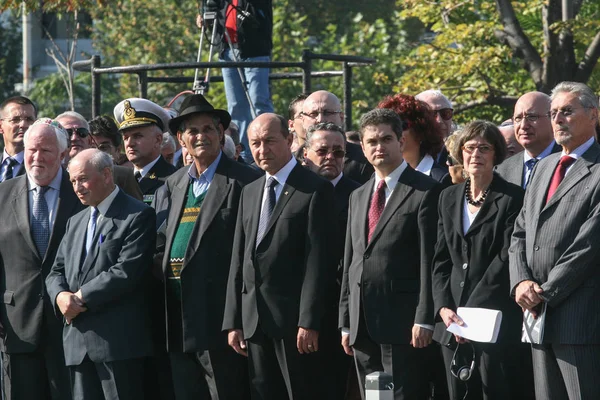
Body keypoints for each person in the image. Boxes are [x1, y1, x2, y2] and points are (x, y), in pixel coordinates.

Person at [223, 113, 338, 399]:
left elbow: (319, 262)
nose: (262, 150)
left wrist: (309, 321)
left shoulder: (314, 189)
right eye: (255, 143)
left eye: (270, 141)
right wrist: (234, 320)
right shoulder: (249, 192)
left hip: (295, 326)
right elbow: (239, 259)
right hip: (255, 321)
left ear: (289, 140)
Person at [155, 94, 261, 399]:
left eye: (208, 129)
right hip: (176, 317)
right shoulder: (173, 184)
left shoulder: (245, 181)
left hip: (219, 321)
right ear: (180, 139)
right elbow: (162, 242)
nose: (200, 136)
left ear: (220, 133)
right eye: (192, 131)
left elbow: (249, 254)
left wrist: (236, 319)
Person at [339, 108, 441, 399]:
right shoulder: (358, 195)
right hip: (362, 326)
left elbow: (429, 260)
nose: (379, 147)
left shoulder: (426, 191)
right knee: (375, 396)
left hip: (403, 325)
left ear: (401, 141)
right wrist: (346, 321)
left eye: (386, 139)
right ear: (362, 146)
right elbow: (352, 261)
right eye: (371, 141)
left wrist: (424, 318)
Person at [509, 81, 600, 399]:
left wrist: (545, 293)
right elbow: (519, 232)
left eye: (567, 111)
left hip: (581, 318)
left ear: (593, 115)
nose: (558, 119)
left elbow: (589, 245)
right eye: (553, 113)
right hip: (536, 316)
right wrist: (521, 282)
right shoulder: (544, 167)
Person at [46, 148, 156, 400]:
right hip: (76, 343)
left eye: (83, 178)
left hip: (117, 345)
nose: (77, 187)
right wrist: (60, 297)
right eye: (72, 181)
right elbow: (56, 271)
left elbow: (127, 271)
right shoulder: (76, 221)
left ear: (107, 175)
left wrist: (79, 298)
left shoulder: (137, 215)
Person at [432, 121, 525, 399]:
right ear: (461, 153)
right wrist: (444, 307)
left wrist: (468, 316)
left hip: (492, 320)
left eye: (484, 148)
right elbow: (440, 259)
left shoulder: (513, 198)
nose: (476, 154)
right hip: (451, 323)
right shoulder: (447, 196)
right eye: (469, 148)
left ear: (496, 154)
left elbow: (505, 258)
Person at [0, 118, 84, 400]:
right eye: (31, 149)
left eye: (45, 150)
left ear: (63, 154)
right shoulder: (3, 195)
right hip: (18, 327)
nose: (36, 157)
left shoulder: (82, 193)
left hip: (72, 327)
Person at [303, 122, 360, 399]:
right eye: (322, 150)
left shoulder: (358, 195)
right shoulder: (295, 190)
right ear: (305, 154)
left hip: (340, 309)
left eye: (338, 153)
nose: (330, 157)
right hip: (297, 311)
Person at [197, 0, 274, 163]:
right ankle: (245, 154)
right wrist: (205, 18)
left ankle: (270, 144)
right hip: (227, 51)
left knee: (258, 101)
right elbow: (216, 18)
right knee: (236, 105)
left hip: (254, 51)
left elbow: (258, 18)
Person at [56, 111, 143, 201]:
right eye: (68, 132)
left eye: (82, 132)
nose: (74, 138)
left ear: (89, 140)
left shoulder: (122, 176)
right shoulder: (48, 178)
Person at [302, 90, 374, 184]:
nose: (320, 119)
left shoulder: (364, 160)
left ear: (341, 117)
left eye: (327, 113)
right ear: (303, 120)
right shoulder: (291, 160)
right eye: (313, 114)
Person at [114, 98, 177, 203]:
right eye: (126, 138)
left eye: (137, 136)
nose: (129, 143)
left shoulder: (173, 180)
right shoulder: (117, 180)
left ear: (158, 139)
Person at [495, 92, 560, 188]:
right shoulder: (502, 170)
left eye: (532, 117)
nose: (523, 125)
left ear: (552, 118)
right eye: (518, 118)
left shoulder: (568, 163)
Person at [379, 93, 448, 182]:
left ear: (420, 131)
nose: (392, 133)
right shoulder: (377, 178)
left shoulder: (441, 180)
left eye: (400, 126)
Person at [0, 96, 37, 182]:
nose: (23, 125)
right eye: (15, 119)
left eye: (29, 119)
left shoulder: (42, 166)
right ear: (1, 126)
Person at [416, 89, 454, 165]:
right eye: (431, 114)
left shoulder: (463, 156)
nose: (439, 121)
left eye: (446, 113)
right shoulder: (401, 157)